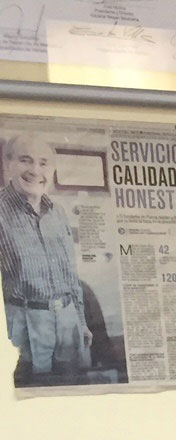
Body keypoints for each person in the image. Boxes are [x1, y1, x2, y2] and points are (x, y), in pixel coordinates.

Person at [0, 132, 90, 381]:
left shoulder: (58, 212)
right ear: (8, 165)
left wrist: (81, 321)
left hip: (67, 321)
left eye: (43, 163)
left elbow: (71, 274)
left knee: (72, 391)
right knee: (29, 394)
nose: (35, 170)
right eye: (25, 160)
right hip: (22, 324)